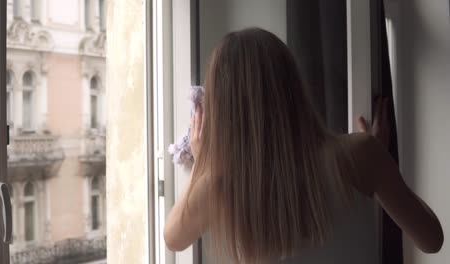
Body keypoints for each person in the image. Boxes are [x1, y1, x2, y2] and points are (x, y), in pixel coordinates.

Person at [163, 28, 443, 263]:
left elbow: (173, 238)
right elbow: (432, 239)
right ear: (293, 86)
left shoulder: (225, 186)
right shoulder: (361, 154)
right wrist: (381, 165)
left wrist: (203, 165)